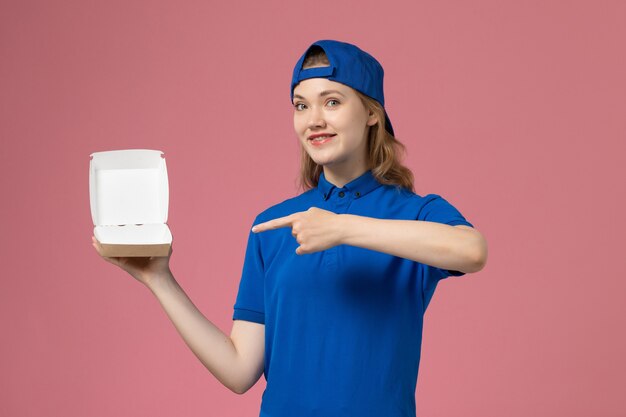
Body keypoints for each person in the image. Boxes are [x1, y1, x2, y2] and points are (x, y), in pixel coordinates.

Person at [92, 39, 488, 417]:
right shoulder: (273, 225)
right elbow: (239, 370)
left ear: (372, 113)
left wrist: (343, 228)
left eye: (332, 102)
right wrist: (159, 279)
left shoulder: (413, 212)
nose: (314, 120)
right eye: (301, 106)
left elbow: (471, 251)